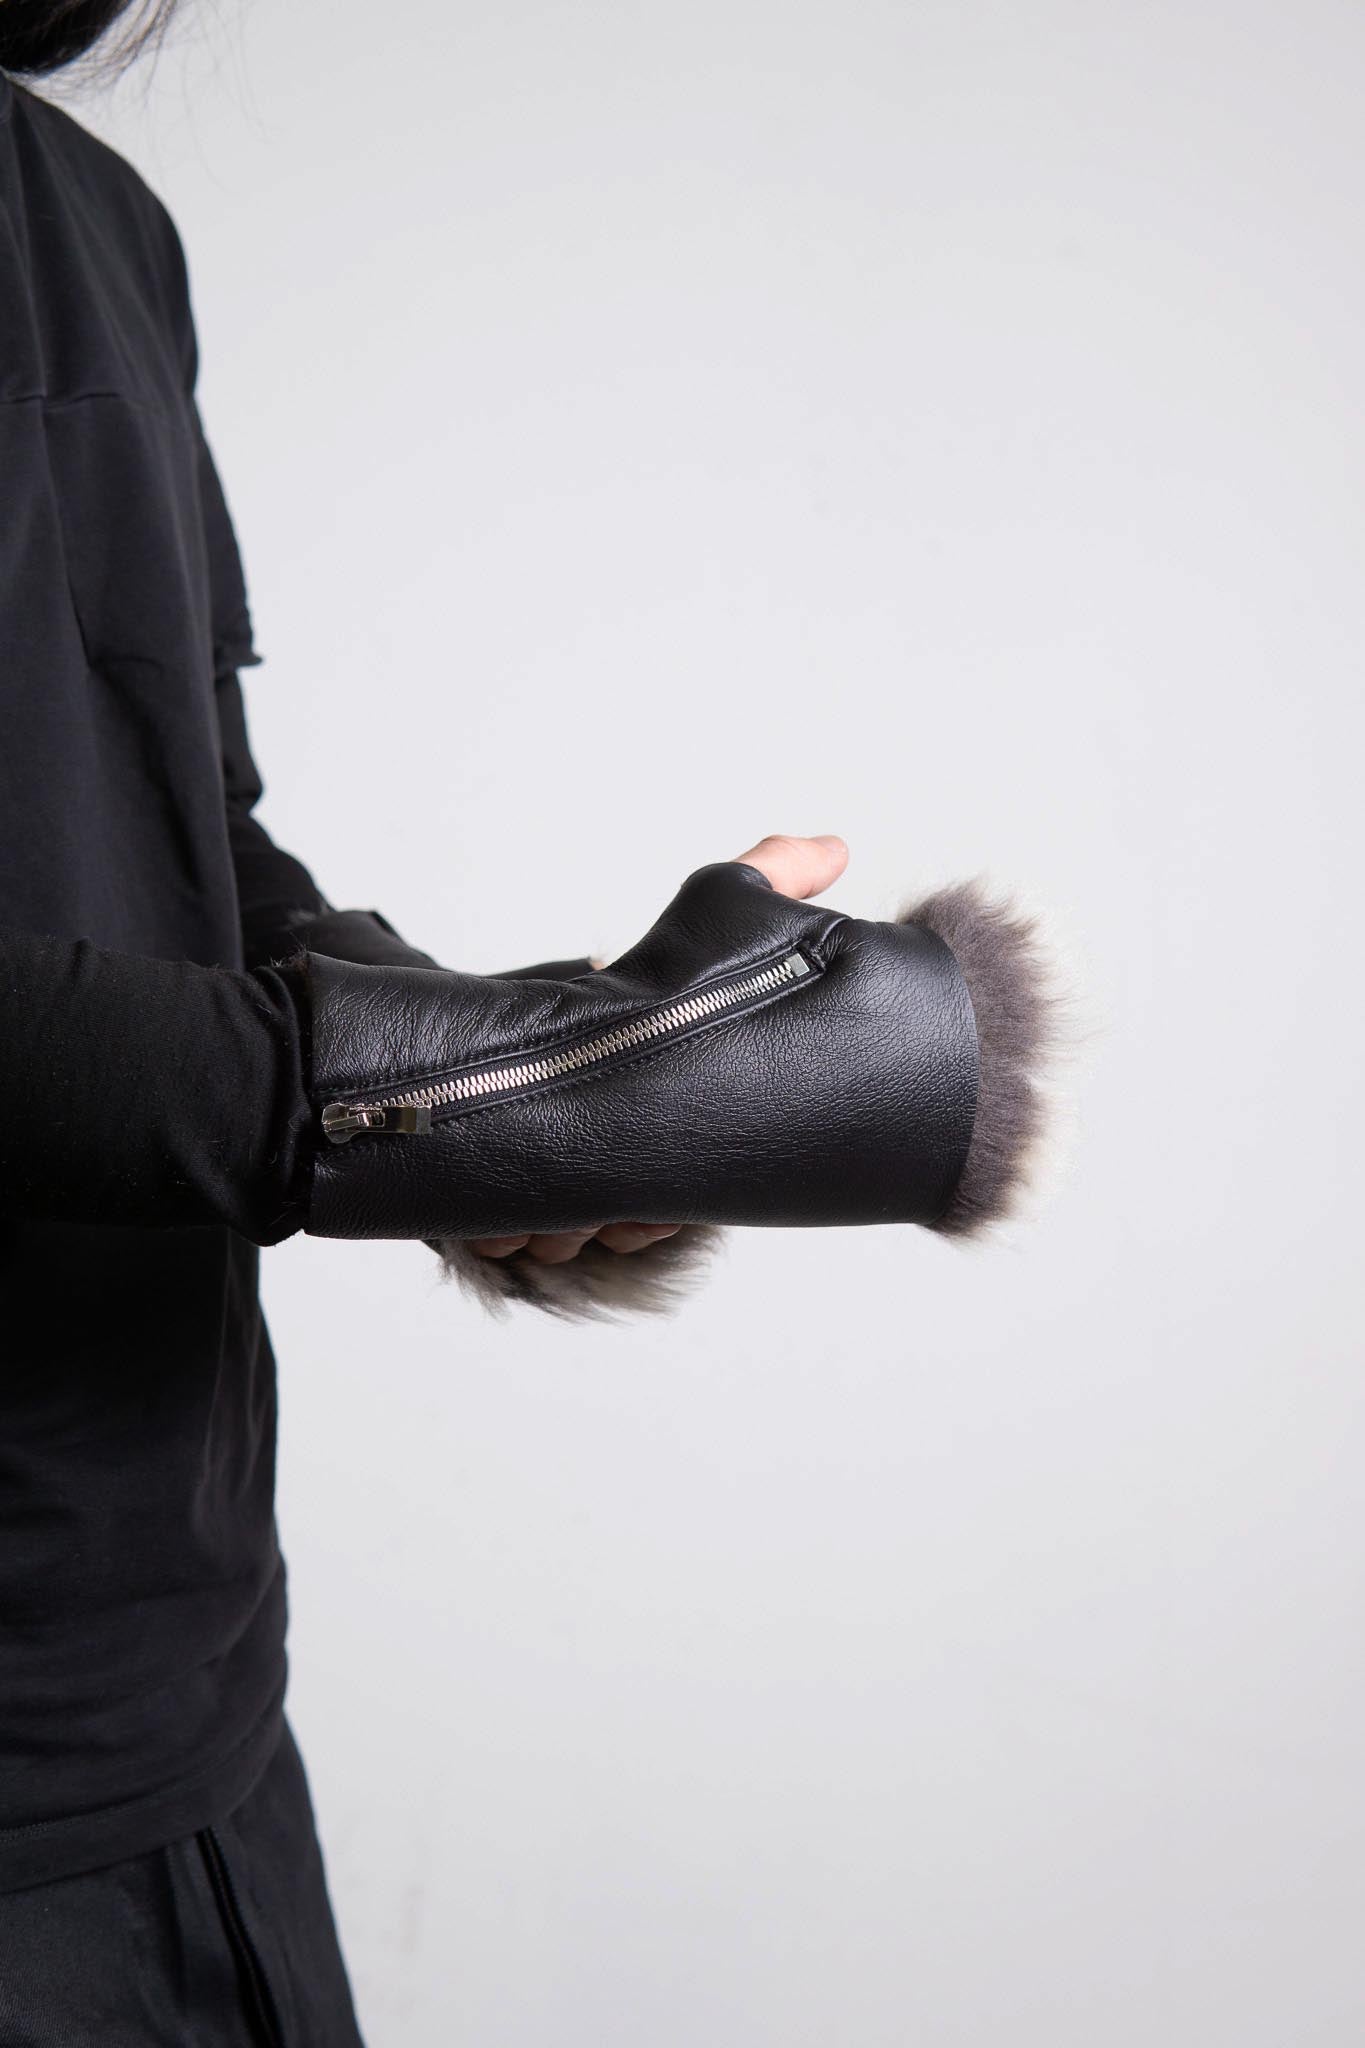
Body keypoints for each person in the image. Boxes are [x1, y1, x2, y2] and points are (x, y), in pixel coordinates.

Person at [0, 4, 1056, 2038]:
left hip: (191, 1704)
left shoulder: (98, 221)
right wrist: (413, 1102)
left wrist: (521, 1079)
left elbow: (185, 827)